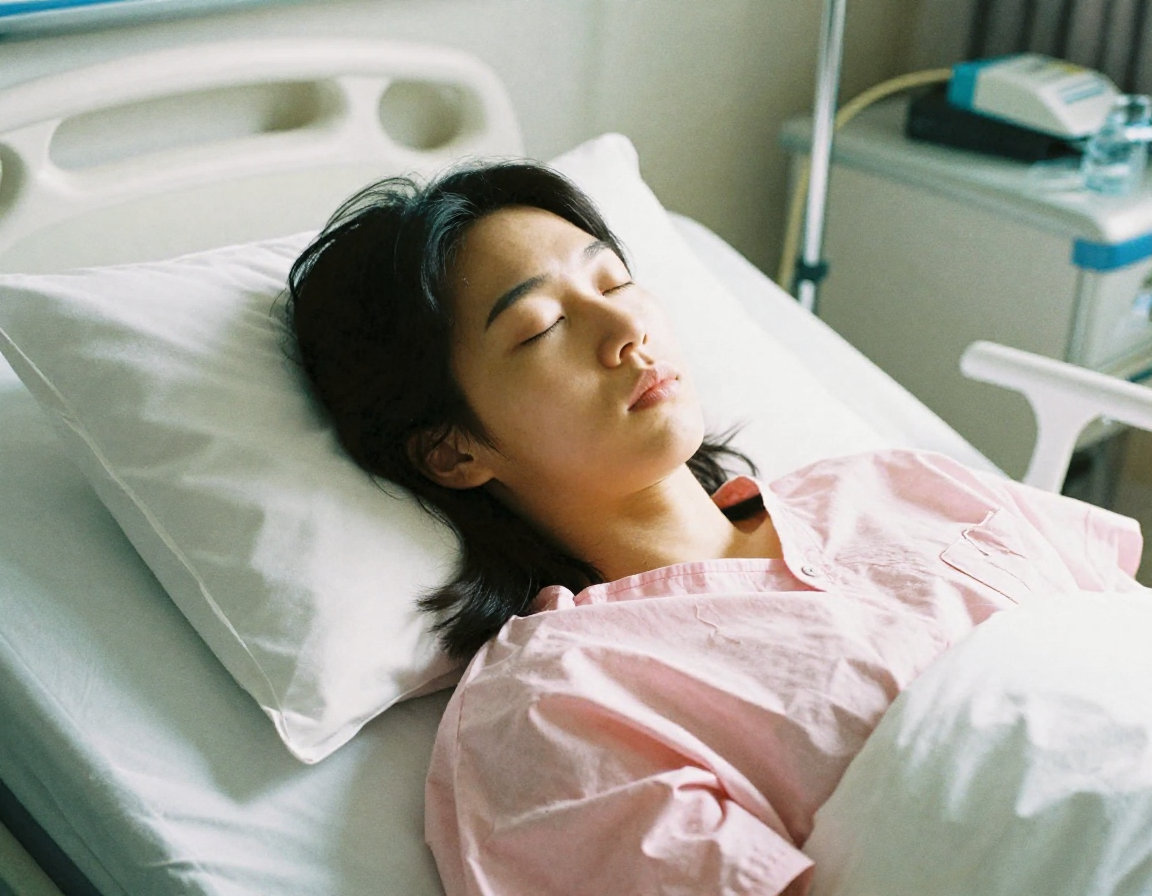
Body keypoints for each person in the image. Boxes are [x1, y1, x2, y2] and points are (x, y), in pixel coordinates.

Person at [287, 161, 1145, 896]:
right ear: (453, 450)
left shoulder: (892, 484)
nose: (626, 329)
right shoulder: (559, 704)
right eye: (543, 326)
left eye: (614, 283)